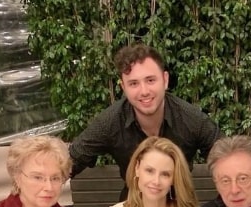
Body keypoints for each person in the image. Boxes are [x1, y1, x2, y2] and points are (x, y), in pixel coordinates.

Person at [69, 44, 221, 198]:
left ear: (165, 80)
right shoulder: (109, 122)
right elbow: (70, 161)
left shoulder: (192, 119)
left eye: (150, 80)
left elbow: (227, 161)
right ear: (124, 87)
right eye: (133, 83)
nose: (144, 91)